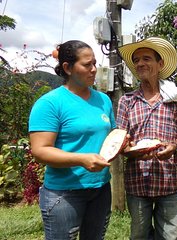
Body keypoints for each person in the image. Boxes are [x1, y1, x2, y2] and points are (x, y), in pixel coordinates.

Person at [29, 40, 116, 240]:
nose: (94, 69)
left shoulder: (103, 100)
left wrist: (123, 142)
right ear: (67, 68)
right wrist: (81, 159)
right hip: (64, 193)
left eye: (95, 63)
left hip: (101, 189)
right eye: (87, 65)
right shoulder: (50, 103)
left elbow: (111, 135)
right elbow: (40, 150)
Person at [116, 37, 177, 240]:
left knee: (170, 236)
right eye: (136, 60)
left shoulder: (175, 99)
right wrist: (130, 149)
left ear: (160, 64)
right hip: (138, 181)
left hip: (169, 181)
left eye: (146, 58)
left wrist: (174, 146)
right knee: (139, 235)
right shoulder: (127, 101)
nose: (140, 63)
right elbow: (119, 140)